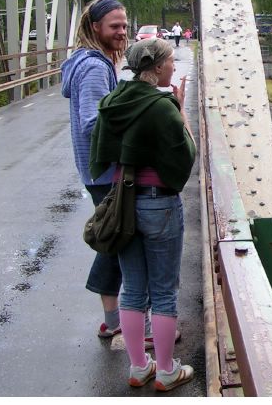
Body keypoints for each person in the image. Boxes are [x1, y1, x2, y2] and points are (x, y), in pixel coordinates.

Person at [90, 38, 196, 391]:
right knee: (164, 291)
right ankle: (166, 370)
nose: (173, 68)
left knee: (133, 288)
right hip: (159, 203)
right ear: (155, 66)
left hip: (124, 203)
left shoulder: (113, 102)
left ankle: (138, 367)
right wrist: (180, 111)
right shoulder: (161, 106)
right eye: (169, 62)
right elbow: (185, 155)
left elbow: (101, 152)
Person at [61, 0, 154, 346]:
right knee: (124, 241)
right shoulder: (94, 67)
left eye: (124, 24)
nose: (122, 31)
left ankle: (111, 320)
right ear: (95, 28)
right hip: (106, 172)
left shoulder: (90, 62)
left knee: (114, 239)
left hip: (96, 171)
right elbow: (92, 123)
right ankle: (133, 323)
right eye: (114, 26)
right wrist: (137, 132)